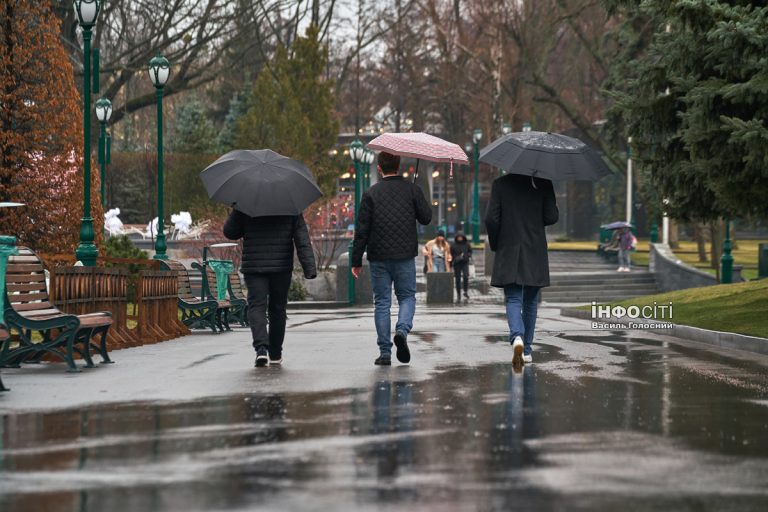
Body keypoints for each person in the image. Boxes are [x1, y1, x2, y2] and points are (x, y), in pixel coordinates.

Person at [351, 151, 432, 366]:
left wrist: (356, 261)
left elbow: (361, 230)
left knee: (382, 303)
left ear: (379, 167)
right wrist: (418, 195)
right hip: (404, 255)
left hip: (378, 257)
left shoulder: (370, 193)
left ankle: (385, 352)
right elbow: (426, 218)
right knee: (407, 297)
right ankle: (402, 331)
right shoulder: (412, 190)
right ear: (399, 165)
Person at [223, 210, 316, 367]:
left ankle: (261, 349)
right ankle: (275, 353)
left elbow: (230, 232)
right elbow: (302, 239)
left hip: (254, 266)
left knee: (256, 306)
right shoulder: (290, 205)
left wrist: (237, 209)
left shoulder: (247, 202)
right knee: (278, 309)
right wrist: (309, 268)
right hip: (281, 266)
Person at [485, 173, 558, 366]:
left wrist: (496, 244)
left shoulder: (500, 183)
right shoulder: (543, 182)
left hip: (509, 248)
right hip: (535, 249)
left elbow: (491, 219)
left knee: (513, 297)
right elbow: (551, 216)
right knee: (531, 301)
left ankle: (516, 336)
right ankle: (526, 350)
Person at [450, 232, 472, 302]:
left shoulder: (467, 244)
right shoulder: (453, 245)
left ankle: (465, 291)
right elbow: (451, 254)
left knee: (465, 276)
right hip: (457, 264)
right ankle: (458, 293)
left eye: (461, 237)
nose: (460, 238)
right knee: (458, 279)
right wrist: (455, 259)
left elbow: (470, 252)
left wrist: (467, 255)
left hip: (465, 263)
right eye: (458, 237)